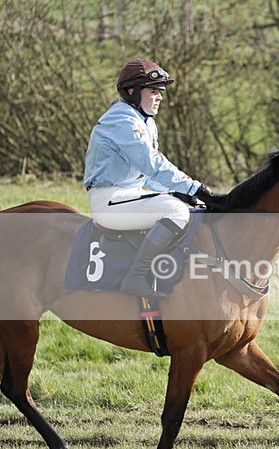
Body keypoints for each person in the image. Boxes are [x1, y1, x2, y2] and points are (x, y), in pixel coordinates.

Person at [83, 57, 221, 297]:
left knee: (189, 206)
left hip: (129, 195)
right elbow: (153, 164)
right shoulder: (122, 119)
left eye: (161, 92)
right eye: (154, 91)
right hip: (109, 200)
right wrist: (195, 188)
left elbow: (149, 176)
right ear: (132, 91)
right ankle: (135, 277)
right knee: (176, 211)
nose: (160, 97)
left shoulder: (145, 121)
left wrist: (186, 193)